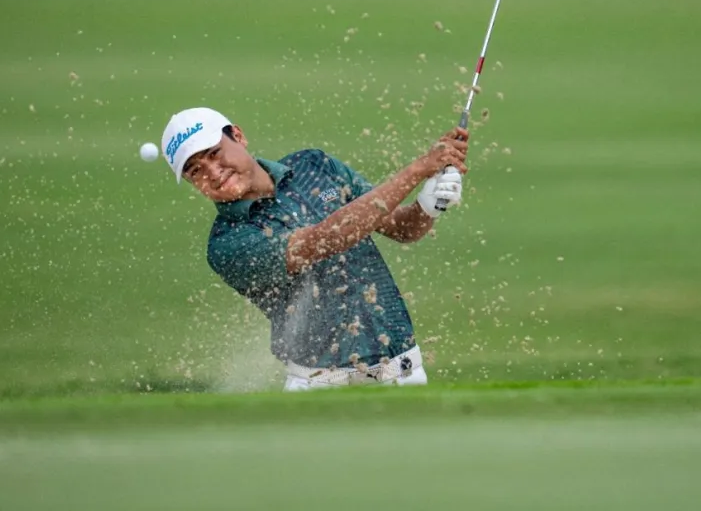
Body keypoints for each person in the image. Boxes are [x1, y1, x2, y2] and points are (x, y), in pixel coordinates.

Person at [159, 106, 469, 391]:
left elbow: (401, 229)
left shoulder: (313, 166)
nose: (212, 173)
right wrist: (418, 169)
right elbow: (322, 240)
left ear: (238, 136)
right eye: (195, 171)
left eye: (214, 154)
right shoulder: (227, 243)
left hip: (405, 374)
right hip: (322, 387)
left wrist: (429, 204)